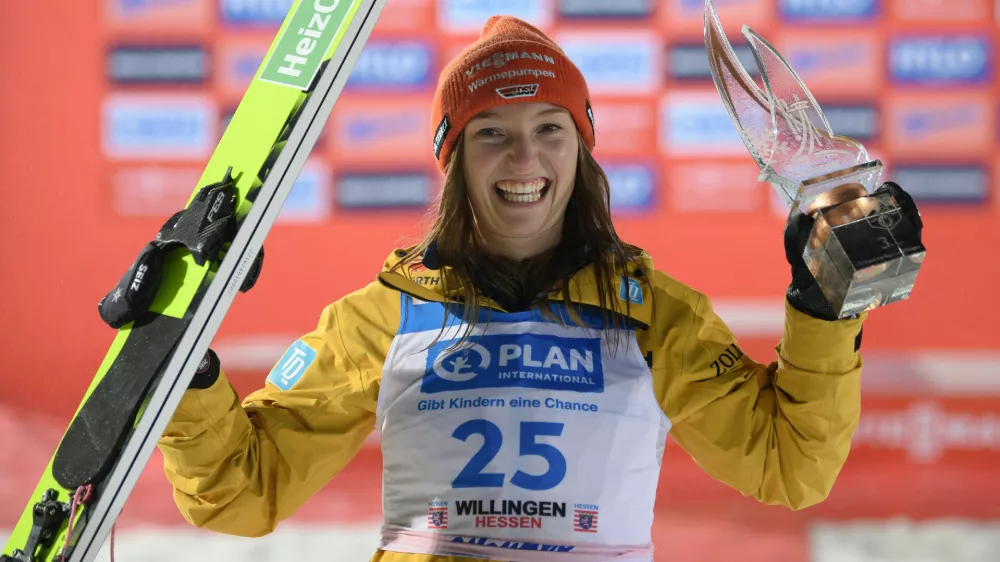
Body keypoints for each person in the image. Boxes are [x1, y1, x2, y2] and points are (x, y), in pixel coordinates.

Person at [156, 15, 923, 562]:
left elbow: (788, 466)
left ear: (582, 148)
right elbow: (239, 491)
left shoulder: (653, 311)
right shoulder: (386, 312)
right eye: (491, 132)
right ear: (454, 160)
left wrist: (827, 307)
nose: (524, 160)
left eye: (549, 129)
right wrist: (184, 370)